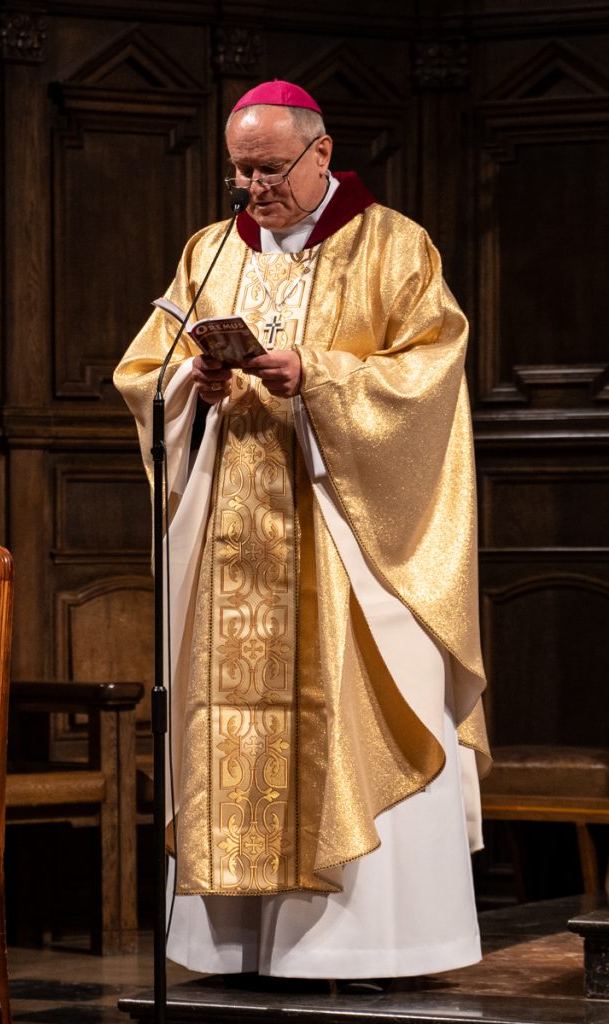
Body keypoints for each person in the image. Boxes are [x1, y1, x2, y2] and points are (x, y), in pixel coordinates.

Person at [114, 79, 490, 983]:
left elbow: (431, 372)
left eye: (270, 170)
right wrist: (193, 386)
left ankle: (367, 944)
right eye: (240, 173)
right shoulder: (210, 250)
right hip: (234, 543)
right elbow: (144, 368)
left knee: (357, 713)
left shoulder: (392, 245)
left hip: (348, 540)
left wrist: (316, 376)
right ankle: (239, 947)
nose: (253, 190)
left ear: (321, 153)